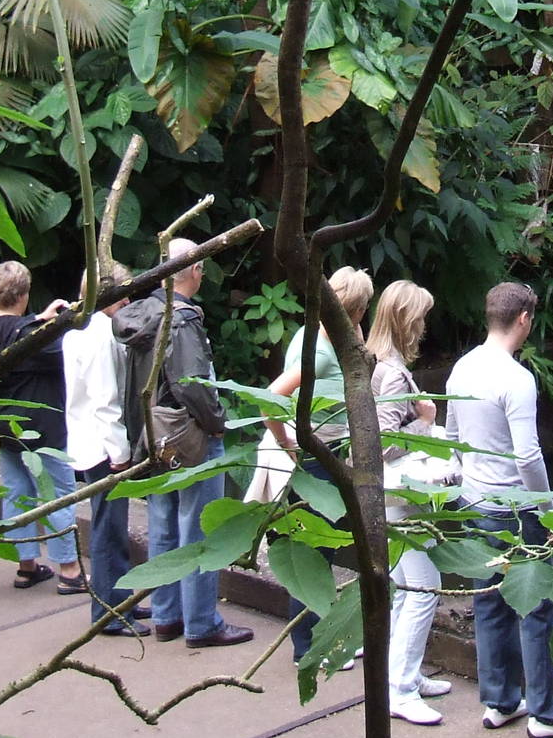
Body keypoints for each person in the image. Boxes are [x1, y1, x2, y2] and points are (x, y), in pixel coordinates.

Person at [446, 281, 553, 738]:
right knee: (538, 607)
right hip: (515, 508)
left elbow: (451, 437)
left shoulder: (462, 369)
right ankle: (549, 713)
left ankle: (500, 700)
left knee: (489, 601)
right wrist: (547, 510)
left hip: (475, 503)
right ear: (524, 319)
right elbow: (528, 456)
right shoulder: (517, 379)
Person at [114, 238, 253, 648]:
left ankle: (166, 615)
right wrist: (217, 423)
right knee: (199, 529)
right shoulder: (181, 319)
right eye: (202, 267)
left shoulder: (141, 313)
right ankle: (201, 623)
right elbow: (192, 383)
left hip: (152, 432)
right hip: (187, 435)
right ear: (194, 271)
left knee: (161, 524)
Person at [262, 265, 374, 665]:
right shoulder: (322, 355)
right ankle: (309, 649)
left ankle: (321, 639)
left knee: (321, 550)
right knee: (316, 553)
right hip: (316, 461)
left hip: (322, 457)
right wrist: (285, 441)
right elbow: (271, 397)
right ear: (356, 311)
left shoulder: (313, 335)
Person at [0, 261, 86, 594]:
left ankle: (26, 565)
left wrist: (38, 320)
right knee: (57, 494)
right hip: (39, 428)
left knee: (17, 492)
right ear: (24, 294)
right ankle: (70, 569)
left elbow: (13, 332)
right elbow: (65, 351)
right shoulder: (33, 337)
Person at [367, 279, 453, 725]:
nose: (423, 325)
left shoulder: (382, 363)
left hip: (392, 494)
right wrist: (425, 423)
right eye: (419, 316)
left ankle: (404, 673)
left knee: (405, 586)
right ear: (405, 319)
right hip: (399, 493)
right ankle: (400, 689)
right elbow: (380, 445)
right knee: (423, 587)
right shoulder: (392, 372)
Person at [63, 260, 152, 637]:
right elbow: (105, 400)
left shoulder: (76, 327)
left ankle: (119, 599)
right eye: (125, 292)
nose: (130, 299)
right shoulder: (100, 336)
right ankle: (110, 611)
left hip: (86, 439)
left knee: (108, 525)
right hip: (102, 446)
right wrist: (121, 455)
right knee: (108, 529)